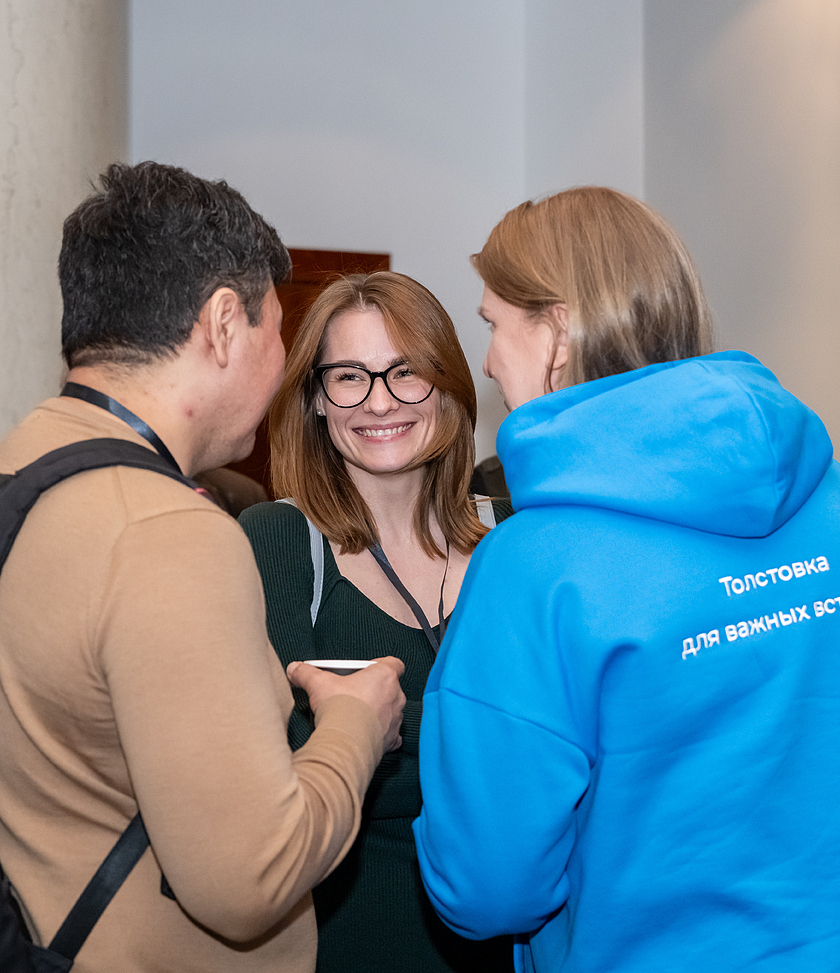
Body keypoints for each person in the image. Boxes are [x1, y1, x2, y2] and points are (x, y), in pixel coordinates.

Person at [413, 187, 840, 972]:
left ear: (559, 331)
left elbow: (487, 888)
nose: (488, 361)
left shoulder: (534, 565)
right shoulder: (828, 501)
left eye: (494, 325)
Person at [0, 161, 405, 972]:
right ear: (223, 324)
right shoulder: (167, 534)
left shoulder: (25, 467)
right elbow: (252, 876)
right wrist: (355, 725)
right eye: (276, 328)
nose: (282, 362)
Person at [240, 271, 514, 973]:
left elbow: (574, 743)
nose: (380, 400)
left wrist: (368, 728)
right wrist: (499, 729)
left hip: (508, 945)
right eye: (349, 377)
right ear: (316, 400)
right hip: (351, 946)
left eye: (406, 371)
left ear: (447, 387)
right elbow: (290, 768)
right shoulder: (278, 540)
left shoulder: (511, 539)